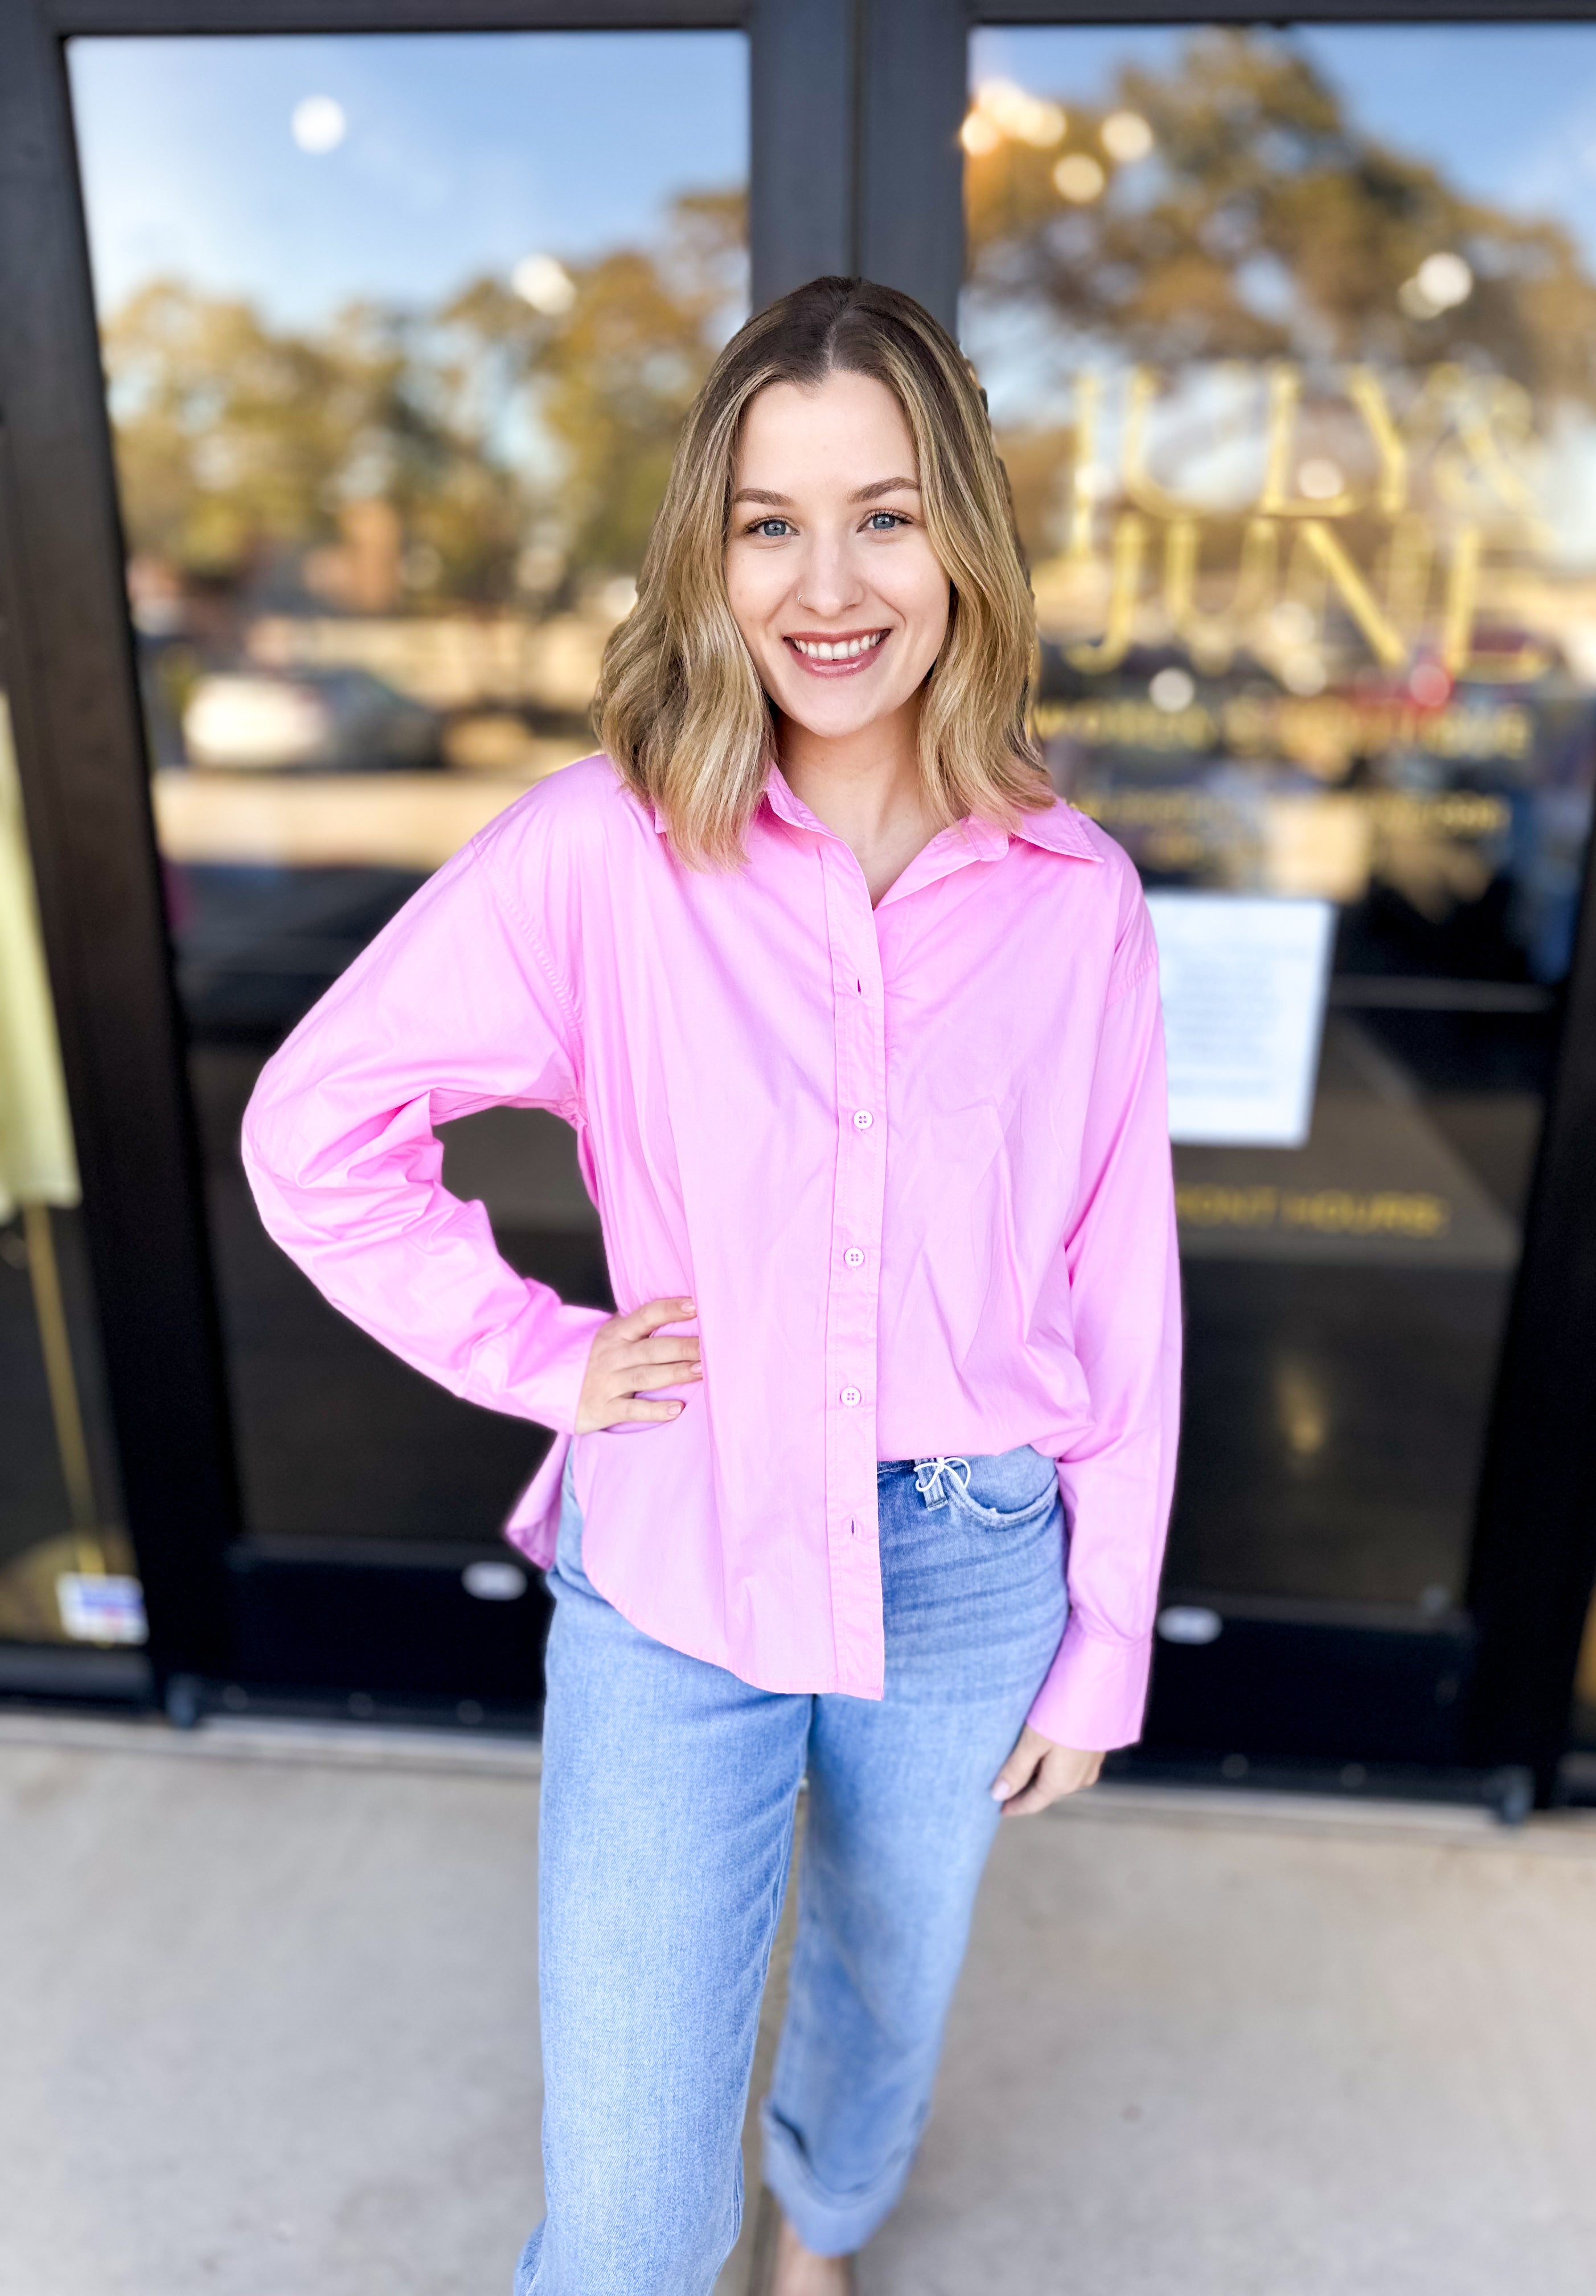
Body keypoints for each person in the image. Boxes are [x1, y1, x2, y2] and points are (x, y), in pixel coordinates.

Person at [241, 275, 1181, 2296]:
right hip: (681, 1554)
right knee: (635, 2205)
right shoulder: (603, 851)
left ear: (968, 540)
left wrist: (1103, 1635)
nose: (828, 583)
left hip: (970, 1556)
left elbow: (1122, 1274)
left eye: (887, 513)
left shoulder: (1074, 894)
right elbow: (314, 1130)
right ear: (710, 552)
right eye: (770, 521)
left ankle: (827, 2233)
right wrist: (545, 1355)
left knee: (876, 2000)